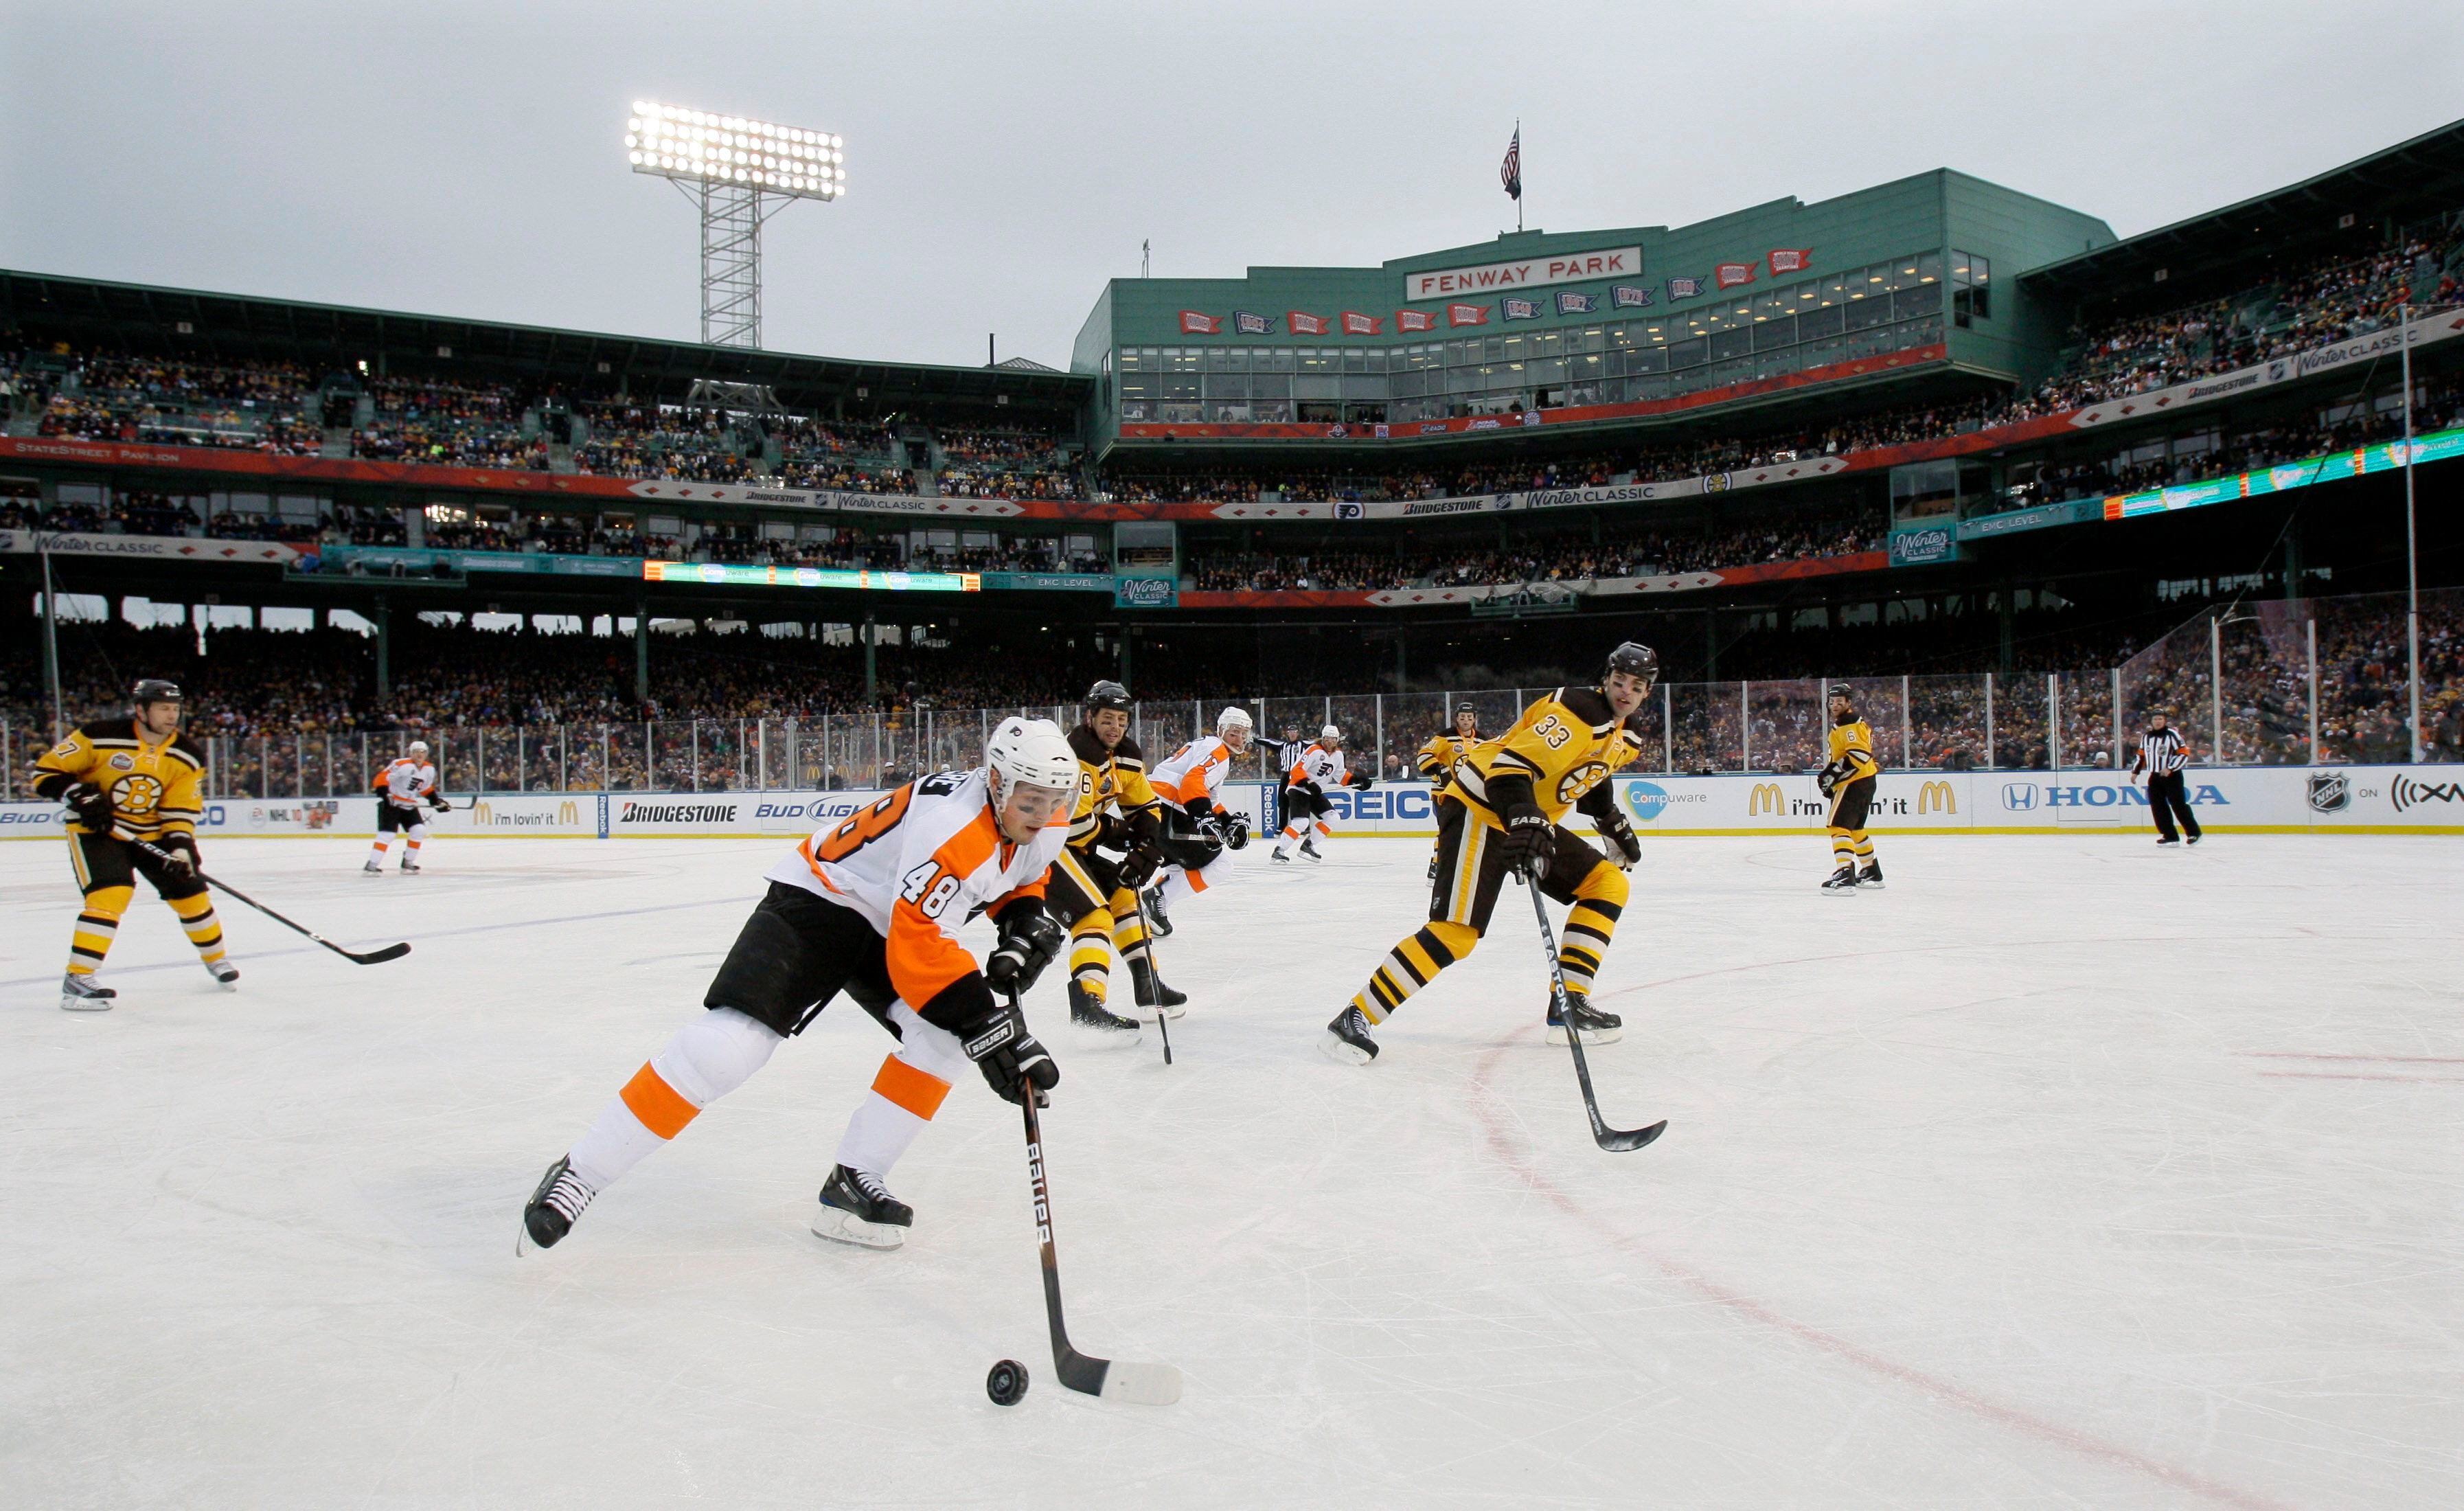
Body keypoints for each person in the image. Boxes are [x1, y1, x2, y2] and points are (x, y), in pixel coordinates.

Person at [518, 717, 1077, 1255]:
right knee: (728, 1049)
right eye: (1031, 801)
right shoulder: (952, 828)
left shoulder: (1045, 815)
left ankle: (853, 1183)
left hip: (894, 917)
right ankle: (582, 1172)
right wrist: (987, 1026)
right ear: (996, 781)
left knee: (941, 1042)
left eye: (1055, 801)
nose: (1044, 814)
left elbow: (1022, 872)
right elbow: (921, 947)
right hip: (821, 898)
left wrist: (1022, 919)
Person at [1325, 644, 1654, 1063]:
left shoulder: (1624, 733)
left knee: (1607, 884)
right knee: (1457, 934)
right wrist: (1524, 818)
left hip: (1524, 817)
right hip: (1480, 809)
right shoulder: (1576, 712)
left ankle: (1570, 1003)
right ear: (1606, 679)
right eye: (1620, 681)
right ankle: (1356, 1016)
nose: (1626, 691)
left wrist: (1610, 822)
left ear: (1647, 692)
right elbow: (1509, 771)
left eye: (1637, 686)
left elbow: (1589, 774)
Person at [30, 679, 236, 1010]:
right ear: (141, 710)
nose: (172, 716)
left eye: (175, 709)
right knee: (111, 893)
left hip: (151, 832)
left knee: (191, 893)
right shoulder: (98, 735)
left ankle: (217, 960)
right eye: (163, 708)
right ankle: (78, 978)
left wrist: (181, 847)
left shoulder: (187, 755)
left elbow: (180, 808)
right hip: (96, 829)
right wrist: (79, 795)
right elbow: (46, 772)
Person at [1046, 681, 1170, 1029]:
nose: (1115, 727)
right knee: (1093, 918)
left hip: (1076, 850)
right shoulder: (1078, 754)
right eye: (1107, 719)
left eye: (1121, 719)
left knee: (1124, 896)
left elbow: (1145, 805)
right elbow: (1073, 825)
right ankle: (1088, 1004)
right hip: (1044, 851)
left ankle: (1149, 985)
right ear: (1090, 718)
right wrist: (1117, 832)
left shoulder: (1125, 756)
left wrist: (1148, 841)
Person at [1140, 707, 1252, 938]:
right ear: (1221, 731)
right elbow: (1193, 782)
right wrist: (1203, 816)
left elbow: (1210, 798)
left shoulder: (1210, 747)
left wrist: (1228, 821)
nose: (1240, 739)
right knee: (1221, 865)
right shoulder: (1217, 750)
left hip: (1155, 806)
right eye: (1234, 733)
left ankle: (1156, 904)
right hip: (1167, 808)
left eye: (1244, 733)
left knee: (1180, 866)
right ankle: (1157, 898)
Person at [1271, 723, 1371, 863]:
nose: (1329, 741)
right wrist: (1308, 784)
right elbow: (1296, 769)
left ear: (1337, 740)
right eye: (1327, 738)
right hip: (1298, 789)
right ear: (1323, 738)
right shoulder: (1314, 750)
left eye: (1333, 739)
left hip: (1314, 793)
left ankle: (1308, 845)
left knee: (1333, 817)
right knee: (1301, 822)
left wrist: (1357, 783)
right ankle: (1279, 851)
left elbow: (1340, 775)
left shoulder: (1338, 756)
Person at [1818, 688, 1883, 891]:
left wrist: (1832, 775)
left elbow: (1859, 755)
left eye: (1839, 701)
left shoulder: (1848, 722)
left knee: (1838, 826)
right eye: (1832, 701)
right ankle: (1871, 871)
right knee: (1855, 829)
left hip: (1854, 782)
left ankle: (1844, 874)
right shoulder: (1852, 721)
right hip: (1865, 780)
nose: (1834, 705)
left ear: (1848, 702)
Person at [366, 739, 450, 873]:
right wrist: (385, 795)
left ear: (427, 754)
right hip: (392, 804)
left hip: (409, 805)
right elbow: (381, 778)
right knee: (387, 835)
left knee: (419, 830)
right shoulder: (401, 764)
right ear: (411, 753)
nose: (419, 755)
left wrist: (436, 802)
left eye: (423, 752)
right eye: (416, 752)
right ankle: (371, 865)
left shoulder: (429, 769)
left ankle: (408, 862)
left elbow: (425, 788)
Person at [2130, 712, 2202, 845]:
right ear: (2151, 722)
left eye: (2160, 719)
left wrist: (2170, 768)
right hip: (2154, 776)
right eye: (2155, 719)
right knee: (2158, 807)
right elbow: (2141, 756)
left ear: (2165, 721)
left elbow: (2183, 753)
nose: (2158, 721)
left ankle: (2194, 833)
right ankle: (2170, 836)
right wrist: (2135, 771)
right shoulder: (2146, 737)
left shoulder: (2172, 735)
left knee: (2178, 805)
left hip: (2172, 775)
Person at [1416, 704, 1482, 795]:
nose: (1466, 720)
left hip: (1470, 794)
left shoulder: (1482, 740)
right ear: (1457, 719)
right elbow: (1424, 754)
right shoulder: (1445, 736)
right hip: (1444, 792)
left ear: (1474, 719)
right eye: (1462, 717)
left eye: (1469, 717)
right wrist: (1438, 770)